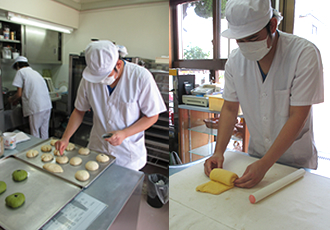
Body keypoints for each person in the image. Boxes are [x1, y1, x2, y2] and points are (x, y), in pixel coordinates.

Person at [204, 0, 324, 188]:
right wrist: (219, 152)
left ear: (272, 25)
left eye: (252, 38)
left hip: (295, 160)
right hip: (257, 155)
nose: (246, 46)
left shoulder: (304, 54)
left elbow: (299, 115)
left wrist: (266, 164)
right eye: (239, 40)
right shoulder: (235, 61)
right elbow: (229, 108)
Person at [55, 40, 167, 171]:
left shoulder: (140, 77)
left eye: (105, 75)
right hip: (98, 148)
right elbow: (79, 111)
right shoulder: (89, 78)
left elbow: (152, 116)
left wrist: (124, 134)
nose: (101, 81)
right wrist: (65, 138)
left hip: (127, 154)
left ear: (118, 64)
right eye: (97, 78)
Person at [8, 56, 52, 139]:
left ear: (17, 64)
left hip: (36, 107)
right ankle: (46, 149)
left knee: (35, 133)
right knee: (44, 131)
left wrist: (11, 99)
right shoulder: (34, 72)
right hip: (47, 105)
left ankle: (36, 151)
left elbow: (19, 94)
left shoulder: (20, 72)